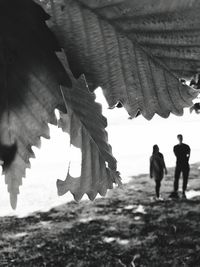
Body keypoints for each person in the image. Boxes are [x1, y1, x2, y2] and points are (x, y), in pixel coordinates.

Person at [171, 134, 190, 199]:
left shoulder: (186, 146)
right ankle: (176, 191)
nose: (180, 139)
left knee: (185, 178)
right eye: (179, 138)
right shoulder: (176, 147)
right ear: (178, 138)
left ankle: (183, 191)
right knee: (176, 178)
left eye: (181, 138)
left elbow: (188, 155)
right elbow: (178, 155)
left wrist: (185, 159)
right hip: (179, 164)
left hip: (184, 164)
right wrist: (185, 158)